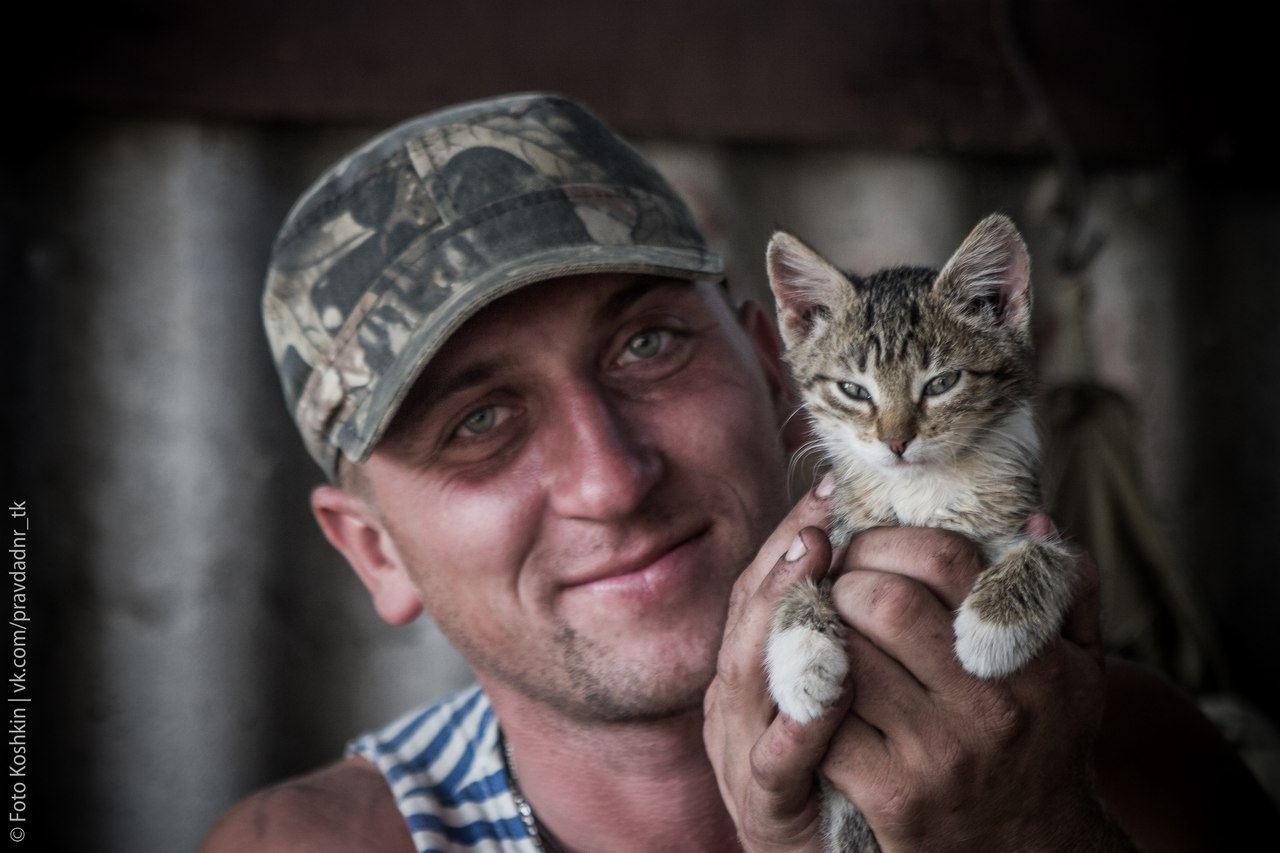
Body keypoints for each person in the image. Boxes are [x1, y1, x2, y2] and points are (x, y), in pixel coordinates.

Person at [201, 92, 1277, 852]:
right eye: (477, 421)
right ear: (374, 549)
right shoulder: (307, 846)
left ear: (778, 372)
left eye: (647, 347)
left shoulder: (1115, 752)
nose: (610, 479)